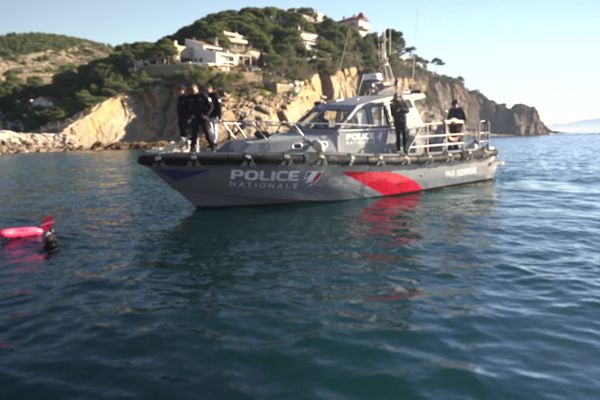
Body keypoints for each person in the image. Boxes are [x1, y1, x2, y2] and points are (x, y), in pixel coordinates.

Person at [188, 83, 214, 152]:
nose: (192, 91)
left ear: (197, 89)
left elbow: (211, 105)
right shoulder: (190, 97)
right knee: (193, 133)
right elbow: (187, 108)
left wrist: (206, 114)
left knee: (206, 133)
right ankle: (193, 147)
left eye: (193, 90)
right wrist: (190, 115)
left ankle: (212, 146)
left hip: (203, 117)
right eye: (191, 90)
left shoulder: (203, 95)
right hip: (194, 118)